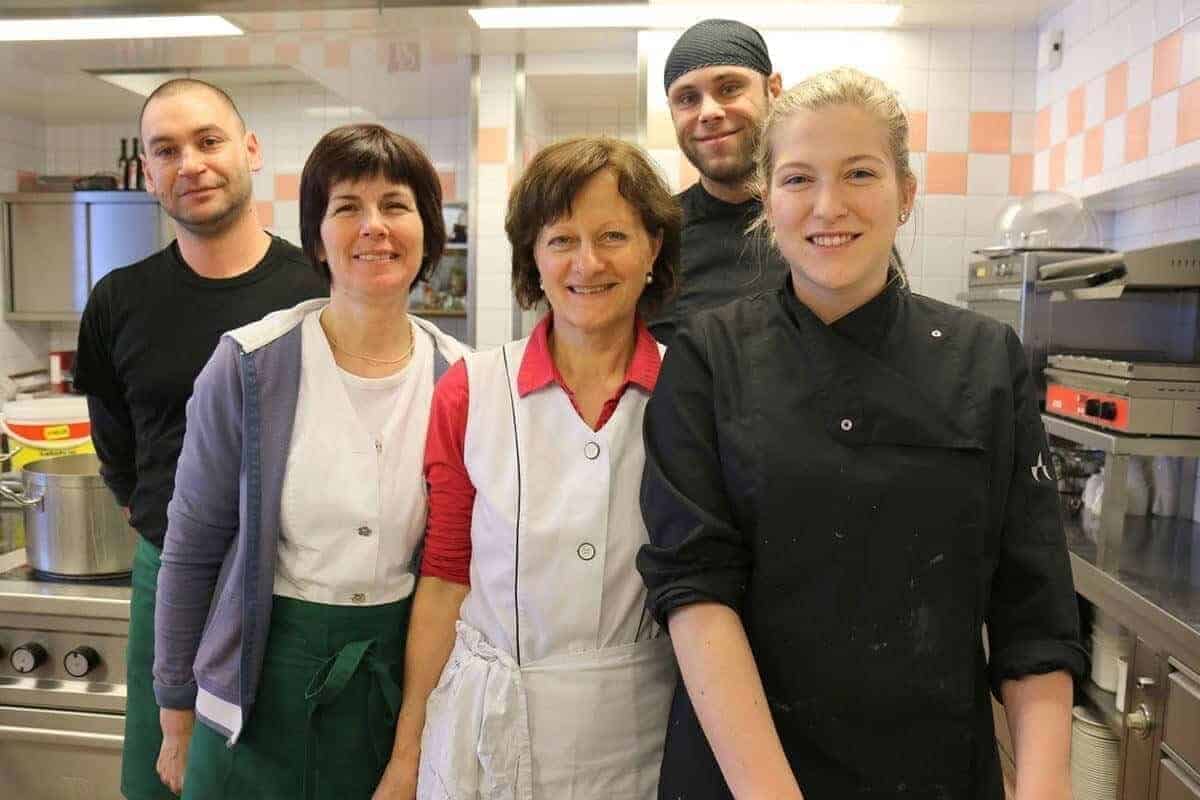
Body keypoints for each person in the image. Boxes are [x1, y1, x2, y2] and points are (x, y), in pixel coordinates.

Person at [637, 67, 1087, 799]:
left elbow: (1032, 605)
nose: (829, 206)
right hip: (746, 775)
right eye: (798, 179)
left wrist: (1043, 788)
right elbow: (693, 588)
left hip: (935, 774)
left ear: (906, 193)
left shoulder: (984, 359)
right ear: (766, 201)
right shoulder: (707, 357)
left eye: (859, 173)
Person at [151, 123, 468, 799]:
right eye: (347, 207)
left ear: (428, 231)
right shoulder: (248, 364)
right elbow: (193, 546)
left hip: (397, 685)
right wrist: (175, 709)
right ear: (317, 238)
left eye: (395, 205)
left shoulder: (463, 380)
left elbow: (459, 569)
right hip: (256, 687)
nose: (373, 226)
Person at [374, 136, 681, 800]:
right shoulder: (471, 391)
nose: (587, 263)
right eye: (561, 240)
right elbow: (446, 578)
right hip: (484, 732)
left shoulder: (691, 394)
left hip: (639, 741)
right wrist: (406, 754)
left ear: (653, 249)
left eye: (613, 236)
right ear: (532, 258)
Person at [72, 78, 329, 800]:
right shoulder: (119, 300)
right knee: (161, 781)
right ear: (149, 173)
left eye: (208, 141)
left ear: (250, 150)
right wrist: (147, 511)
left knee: (271, 779)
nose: (190, 164)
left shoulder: (316, 292)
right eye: (166, 150)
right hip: (170, 572)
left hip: (291, 580)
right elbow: (114, 439)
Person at [649, 18, 789, 345]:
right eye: (687, 98)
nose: (708, 112)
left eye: (729, 88)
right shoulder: (654, 234)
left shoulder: (822, 221)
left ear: (773, 91)